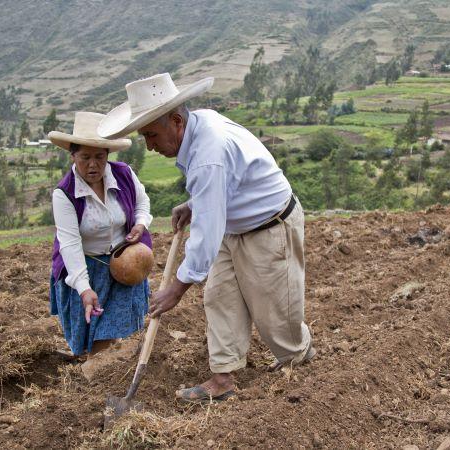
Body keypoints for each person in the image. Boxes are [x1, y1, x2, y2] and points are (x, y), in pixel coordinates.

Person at [98, 73, 314, 403]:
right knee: (219, 296)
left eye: (152, 135)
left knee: (276, 317)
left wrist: (176, 289)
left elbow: (207, 229)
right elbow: (220, 189)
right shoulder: (199, 127)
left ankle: (304, 369)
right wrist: (194, 204)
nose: (150, 145)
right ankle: (223, 378)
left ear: (176, 122)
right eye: (145, 137)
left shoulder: (208, 153)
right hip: (234, 225)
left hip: (269, 227)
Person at [48, 111, 153, 360]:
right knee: (91, 338)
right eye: (85, 157)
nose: (93, 164)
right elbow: (70, 245)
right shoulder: (64, 194)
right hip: (86, 269)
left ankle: (105, 374)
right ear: (72, 156)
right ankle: (97, 377)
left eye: (99, 156)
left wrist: (140, 224)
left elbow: (142, 203)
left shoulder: (124, 174)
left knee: (110, 333)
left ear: (108, 155)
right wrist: (84, 289)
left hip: (124, 266)